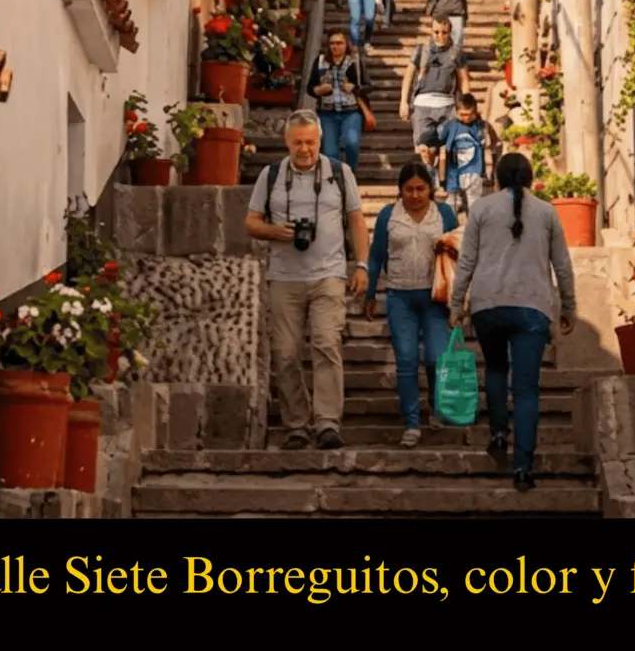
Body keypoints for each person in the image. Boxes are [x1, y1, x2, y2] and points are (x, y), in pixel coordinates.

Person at [448, 153, 577, 491]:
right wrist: (568, 306)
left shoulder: (481, 209)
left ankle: (499, 432)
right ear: (531, 179)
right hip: (531, 307)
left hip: (488, 305)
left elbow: (467, 261)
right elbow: (562, 264)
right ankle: (523, 467)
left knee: (493, 369)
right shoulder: (548, 212)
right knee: (526, 389)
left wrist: (456, 303)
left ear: (498, 179)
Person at [245, 109, 370, 450]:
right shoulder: (270, 176)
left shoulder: (340, 173)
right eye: (298, 142)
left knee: (326, 345)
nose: (305, 149)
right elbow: (251, 222)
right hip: (284, 277)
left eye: (311, 142)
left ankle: (327, 422)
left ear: (321, 141)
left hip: (328, 275)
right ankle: (297, 424)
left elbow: (357, 221)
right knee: (285, 354)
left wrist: (361, 265)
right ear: (286, 142)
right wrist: (274, 231)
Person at [365, 163, 459, 447]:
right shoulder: (387, 215)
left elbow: (458, 252)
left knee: (436, 357)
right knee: (406, 361)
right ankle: (412, 423)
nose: (416, 195)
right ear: (400, 190)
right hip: (400, 298)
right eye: (409, 189)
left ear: (430, 189)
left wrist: (461, 297)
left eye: (421, 189)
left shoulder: (443, 213)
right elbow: (376, 255)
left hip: (436, 299)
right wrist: (370, 292)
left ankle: (435, 403)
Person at [398, 15, 470, 162]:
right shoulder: (421, 50)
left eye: (444, 32)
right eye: (436, 32)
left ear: (450, 32)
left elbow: (464, 80)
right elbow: (408, 76)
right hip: (422, 105)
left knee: (446, 148)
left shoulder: (456, 52)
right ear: (431, 31)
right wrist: (403, 102)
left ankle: (442, 180)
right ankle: (431, 177)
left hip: (448, 106)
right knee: (425, 148)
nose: (440, 36)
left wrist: (467, 105)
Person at [306, 29, 372, 174]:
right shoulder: (320, 61)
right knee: (330, 152)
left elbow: (368, 86)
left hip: (351, 112)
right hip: (327, 113)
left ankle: (350, 173)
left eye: (339, 43)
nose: (335, 46)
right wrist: (318, 90)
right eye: (332, 43)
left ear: (346, 44)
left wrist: (354, 87)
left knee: (352, 143)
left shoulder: (354, 62)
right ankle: (335, 178)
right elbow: (309, 87)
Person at [437, 93, 501, 218]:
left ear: (476, 111)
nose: (466, 118)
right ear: (456, 112)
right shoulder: (450, 127)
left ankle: (473, 232)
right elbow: (442, 152)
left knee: (474, 207)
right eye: (462, 114)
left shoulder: (483, 127)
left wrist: (493, 170)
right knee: (452, 207)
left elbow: (495, 145)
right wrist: (442, 176)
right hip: (453, 173)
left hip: (475, 173)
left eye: (470, 114)